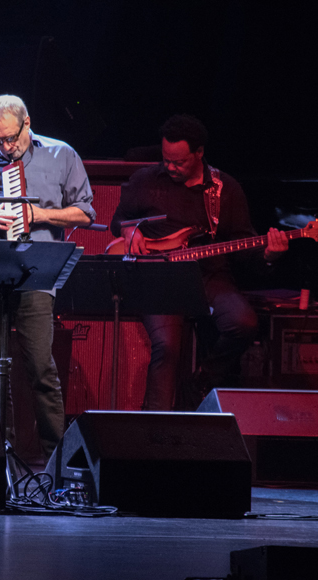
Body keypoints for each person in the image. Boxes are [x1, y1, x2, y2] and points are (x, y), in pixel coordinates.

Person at [0, 95, 96, 459]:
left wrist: (39, 215)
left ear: (27, 122)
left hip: (36, 273)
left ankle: (56, 460)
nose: (5, 147)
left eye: (10, 138)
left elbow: (85, 213)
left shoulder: (61, 154)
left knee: (41, 369)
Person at [110, 114, 288, 411]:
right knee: (167, 348)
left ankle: (202, 381)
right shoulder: (145, 180)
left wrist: (269, 255)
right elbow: (118, 221)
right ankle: (153, 427)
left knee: (244, 323)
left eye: (179, 162)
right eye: (166, 159)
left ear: (199, 153)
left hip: (208, 275)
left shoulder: (225, 188)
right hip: (159, 277)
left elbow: (244, 247)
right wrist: (130, 230)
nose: (170, 167)